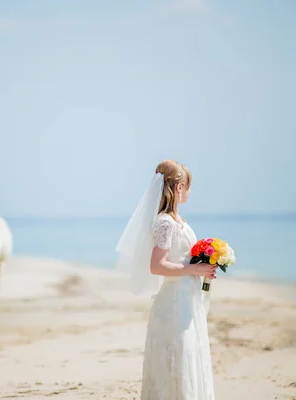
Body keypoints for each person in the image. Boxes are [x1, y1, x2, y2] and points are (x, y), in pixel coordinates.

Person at [115, 160, 216, 399]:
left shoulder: (179, 222)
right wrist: (194, 269)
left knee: (191, 355)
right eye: (188, 186)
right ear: (179, 187)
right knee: (178, 358)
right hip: (173, 304)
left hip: (188, 301)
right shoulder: (165, 223)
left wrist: (204, 267)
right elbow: (157, 265)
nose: (189, 192)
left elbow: (183, 257)